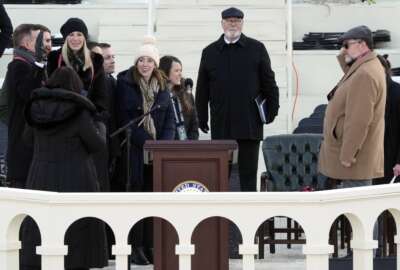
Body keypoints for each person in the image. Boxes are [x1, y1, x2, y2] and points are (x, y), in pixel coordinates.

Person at [20, 67, 108, 270]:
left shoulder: (35, 107)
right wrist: (101, 128)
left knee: (41, 226)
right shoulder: (79, 110)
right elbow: (96, 145)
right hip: (76, 177)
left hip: (40, 176)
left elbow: (27, 139)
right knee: (76, 229)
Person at [195, 7, 280, 191]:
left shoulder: (257, 49)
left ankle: (249, 217)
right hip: (221, 123)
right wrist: (201, 116)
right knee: (219, 176)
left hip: (249, 123)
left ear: (242, 23)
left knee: (248, 177)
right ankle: (219, 217)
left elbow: (269, 83)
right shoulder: (209, 52)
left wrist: (272, 111)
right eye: (229, 20)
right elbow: (202, 88)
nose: (232, 23)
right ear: (222, 23)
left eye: (237, 20)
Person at [115, 36, 175, 265]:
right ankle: (135, 245)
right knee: (137, 197)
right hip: (135, 151)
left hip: (157, 153)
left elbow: (169, 119)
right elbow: (126, 119)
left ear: (156, 64)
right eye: (141, 59)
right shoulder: (125, 84)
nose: (145, 64)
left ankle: (151, 244)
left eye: (149, 60)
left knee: (153, 197)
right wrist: (148, 143)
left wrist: (163, 146)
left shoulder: (162, 87)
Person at [319, 25, 386, 188]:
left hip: (354, 164)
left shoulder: (365, 75)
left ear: (362, 45)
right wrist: (344, 54)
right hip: (355, 162)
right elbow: (350, 73)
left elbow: (359, 120)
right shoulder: (366, 66)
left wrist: (348, 155)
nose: (344, 49)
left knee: (353, 211)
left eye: (347, 45)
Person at [47, 17, 110, 191]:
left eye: (79, 34)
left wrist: (92, 116)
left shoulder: (95, 60)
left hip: (87, 122)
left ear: (84, 37)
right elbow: (51, 91)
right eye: (71, 34)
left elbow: (101, 97)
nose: (75, 38)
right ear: (66, 37)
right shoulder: (54, 58)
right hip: (62, 123)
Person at [6, 24, 47, 188]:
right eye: (39, 41)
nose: (42, 46)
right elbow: (27, 93)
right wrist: (38, 66)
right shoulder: (18, 66)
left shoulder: (28, 65)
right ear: (28, 43)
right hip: (22, 145)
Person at [374, 55, 400, 184]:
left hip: (391, 158)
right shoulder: (369, 92)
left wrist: (399, 162)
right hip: (373, 158)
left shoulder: (397, 92)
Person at [159, 55, 199, 140]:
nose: (180, 74)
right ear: (165, 72)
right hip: (167, 146)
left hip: (186, 146)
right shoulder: (158, 96)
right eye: (176, 71)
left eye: (181, 70)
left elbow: (194, 124)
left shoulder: (186, 93)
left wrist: (191, 144)